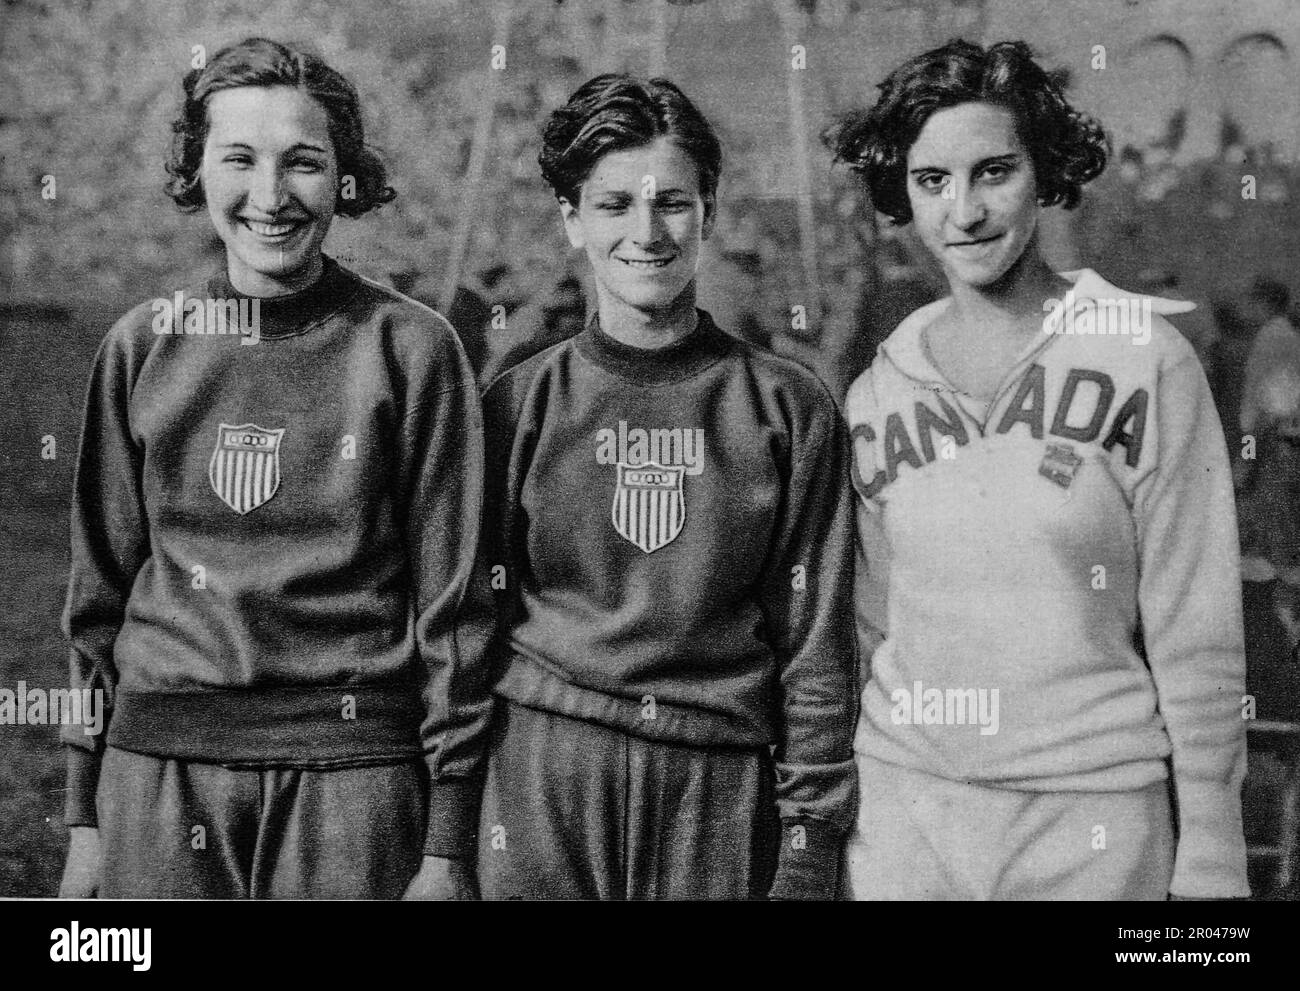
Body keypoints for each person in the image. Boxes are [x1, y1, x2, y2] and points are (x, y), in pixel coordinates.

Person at [57, 37, 483, 899]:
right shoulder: (144, 345)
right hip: (160, 773)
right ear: (197, 170)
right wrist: (84, 819)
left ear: (345, 177)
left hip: (355, 775)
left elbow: (456, 611)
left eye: (304, 163)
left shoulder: (411, 347)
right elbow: (96, 600)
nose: (270, 196)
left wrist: (447, 843)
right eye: (239, 159)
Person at [826, 39, 1249, 899]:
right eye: (932, 181)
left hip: (1092, 815)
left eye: (994, 172)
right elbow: (870, 630)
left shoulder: (1145, 358)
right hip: (906, 814)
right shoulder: (874, 392)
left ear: (1045, 171)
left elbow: (1197, 623)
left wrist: (1211, 848)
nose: (966, 211)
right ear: (902, 194)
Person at [421, 74, 858, 900]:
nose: (647, 233)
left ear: (710, 210)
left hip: (717, 786)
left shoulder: (787, 408)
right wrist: (449, 836)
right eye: (614, 204)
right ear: (572, 219)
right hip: (542, 774)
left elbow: (817, 649)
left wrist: (806, 851)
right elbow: (464, 628)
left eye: (673, 203)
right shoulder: (518, 402)